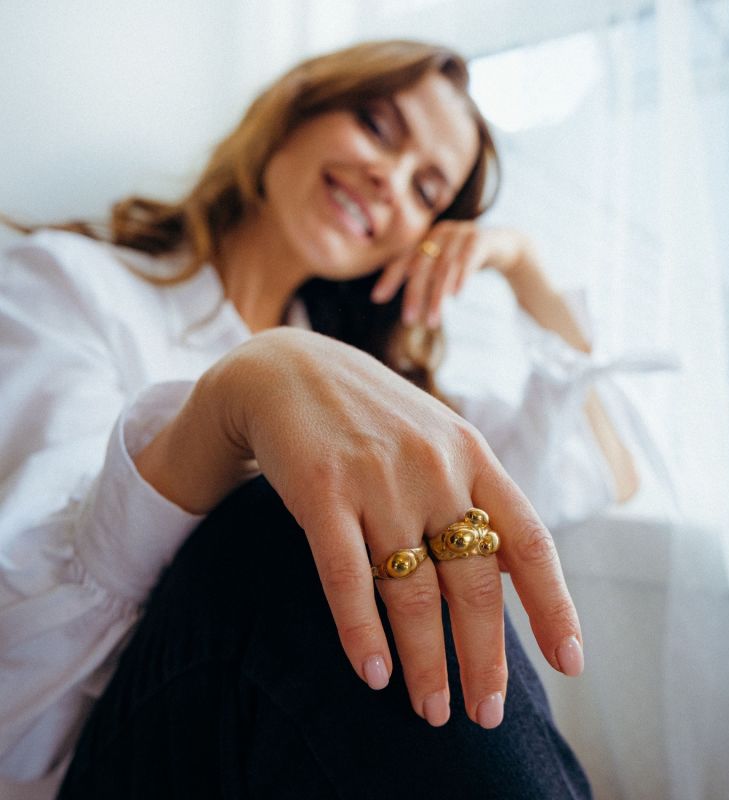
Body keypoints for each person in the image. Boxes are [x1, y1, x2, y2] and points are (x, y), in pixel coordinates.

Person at [0, 39, 640, 799]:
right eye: (378, 127)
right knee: (297, 513)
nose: (388, 178)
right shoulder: (66, 287)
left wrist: (521, 262)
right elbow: (18, 682)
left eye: (426, 189)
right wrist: (241, 392)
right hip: (96, 763)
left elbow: (610, 466)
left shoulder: (380, 397)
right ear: (297, 107)